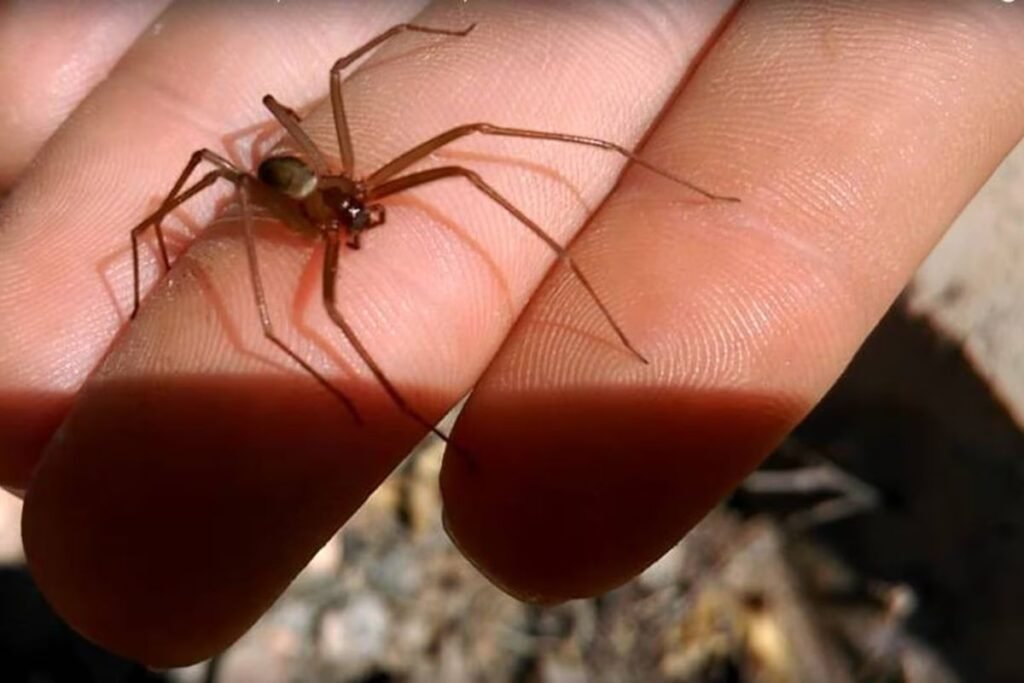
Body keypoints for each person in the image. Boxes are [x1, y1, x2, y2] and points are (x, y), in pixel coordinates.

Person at [1, 0, 1021, 669]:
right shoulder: (293, 210)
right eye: (352, 215)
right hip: (284, 187)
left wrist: (443, 38)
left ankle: (652, 197)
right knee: (317, 298)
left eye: (358, 208)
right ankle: (426, 425)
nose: (363, 221)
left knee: (474, 144)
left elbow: (390, 93)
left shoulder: (359, 178)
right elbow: (271, 260)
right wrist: (388, 400)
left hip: (319, 173)